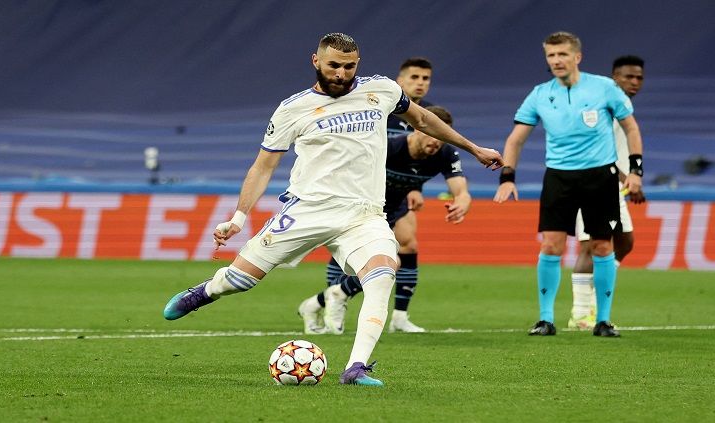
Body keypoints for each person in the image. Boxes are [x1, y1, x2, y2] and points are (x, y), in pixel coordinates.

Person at [162, 33, 503, 386]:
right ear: (316, 61)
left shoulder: (381, 90)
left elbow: (424, 120)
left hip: (363, 214)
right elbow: (263, 166)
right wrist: (239, 217)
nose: (342, 73)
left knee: (384, 273)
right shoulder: (293, 108)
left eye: (349, 66)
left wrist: (474, 148)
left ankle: (356, 367)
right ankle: (205, 292)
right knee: (240, 281)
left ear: (359, 63)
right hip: (307, 210)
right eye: (334, 65)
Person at [493, 32, 644, 338]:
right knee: (551, 245)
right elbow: (516, 139)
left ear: (577, 57)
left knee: (603, 246)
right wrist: (507, 177)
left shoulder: (604, 88)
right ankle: (545, 319)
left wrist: (637, 170)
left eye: (562, 54)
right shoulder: (539, 93)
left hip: (600, 177)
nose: (556, 61)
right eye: (551, 55)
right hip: (558, 178)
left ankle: (603, 320)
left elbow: (631, 127)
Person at [298, 105, 471, 335]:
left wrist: (462, 202)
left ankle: (322, 302)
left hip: (389, 210)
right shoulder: (389, 147)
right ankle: (333, 297)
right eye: (431, 133)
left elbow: (461, 190)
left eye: (441, 135)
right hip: (359, 207)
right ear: (416, 129)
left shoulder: (446, 154)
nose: (436, 141)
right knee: (384, 262)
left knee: (404, 250)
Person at [569, 55, 647, 330]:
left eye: (639, 77)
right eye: (628, 76)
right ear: (615, 77)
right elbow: (594, 147)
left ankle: (594, 295)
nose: (634, 82)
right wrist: (629, 177)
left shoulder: (622, 107)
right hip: (590, 182)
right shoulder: (603, 106)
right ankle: (581, 313)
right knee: (591, 245)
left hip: (614, 186)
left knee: (624, 243)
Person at [387, 57, 434, 136]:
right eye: (414, 77)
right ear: (400, 80)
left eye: (425, 78)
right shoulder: (384, 109)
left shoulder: (432, 114)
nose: (420, 82)